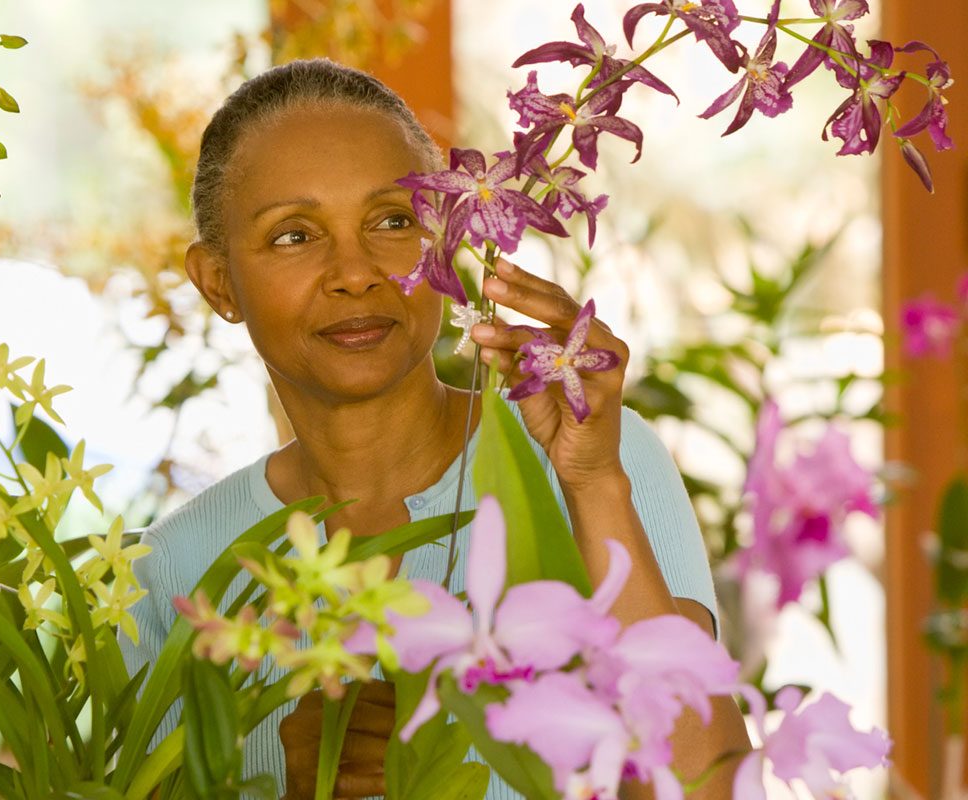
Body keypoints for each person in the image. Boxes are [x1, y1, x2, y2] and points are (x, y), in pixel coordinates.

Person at [120, 58, 751, 799]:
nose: (355, 273)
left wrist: (592, 482)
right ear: (218, 282)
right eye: (294, 235)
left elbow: (708, 787)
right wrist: (296, 782)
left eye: (393, 222)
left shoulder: (592, 459)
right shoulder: (168, 575)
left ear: (448, 242)